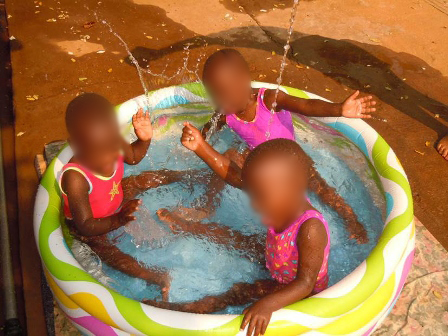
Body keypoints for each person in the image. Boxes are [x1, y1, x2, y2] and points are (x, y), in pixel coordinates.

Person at [179, 48, 375, 242]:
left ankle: (351, 220)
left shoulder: (268, 100)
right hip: (258, 159)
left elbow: (305, 106)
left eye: (223, 93)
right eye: (213, 95)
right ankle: (208, 205)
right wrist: (200, 138)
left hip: (290, 159)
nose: (218, 101)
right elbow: (209, 128)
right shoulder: (224, 113)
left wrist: (338, 108)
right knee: (228, 156)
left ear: (243, 82)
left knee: (321, 189)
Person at [146, 139, 332, 336]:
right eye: (253, 195)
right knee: (230, 236)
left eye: (260, 197)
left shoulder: (311, 228)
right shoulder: (278, 191)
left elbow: (306, 283)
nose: (254, 205)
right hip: (277, 258)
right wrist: (201, 148)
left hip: (294, 288)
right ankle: (187, 226)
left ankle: (183, 311)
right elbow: (233, 176)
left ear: (293, 187)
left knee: (238, 293)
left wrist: (268, 305)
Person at [59, 93, 191, 300]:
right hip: (93, 227)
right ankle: (156, 277)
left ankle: (189, 176)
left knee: (145, 179)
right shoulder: (76, 177)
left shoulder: (112, 142)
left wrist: (144, 139)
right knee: (111, 254)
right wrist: (119, 220)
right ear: (75, 145)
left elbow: (134, 157)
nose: (106, 156)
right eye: (95, 150)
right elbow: (85, 224)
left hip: (115, 199)